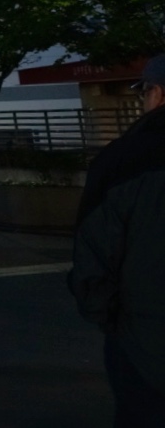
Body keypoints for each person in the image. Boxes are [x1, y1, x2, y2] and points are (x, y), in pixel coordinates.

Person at [71, 53, 165, 424]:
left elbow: (93, 259)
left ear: (156, 93)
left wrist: (110, 317)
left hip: (144, 340)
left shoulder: (123, 159)